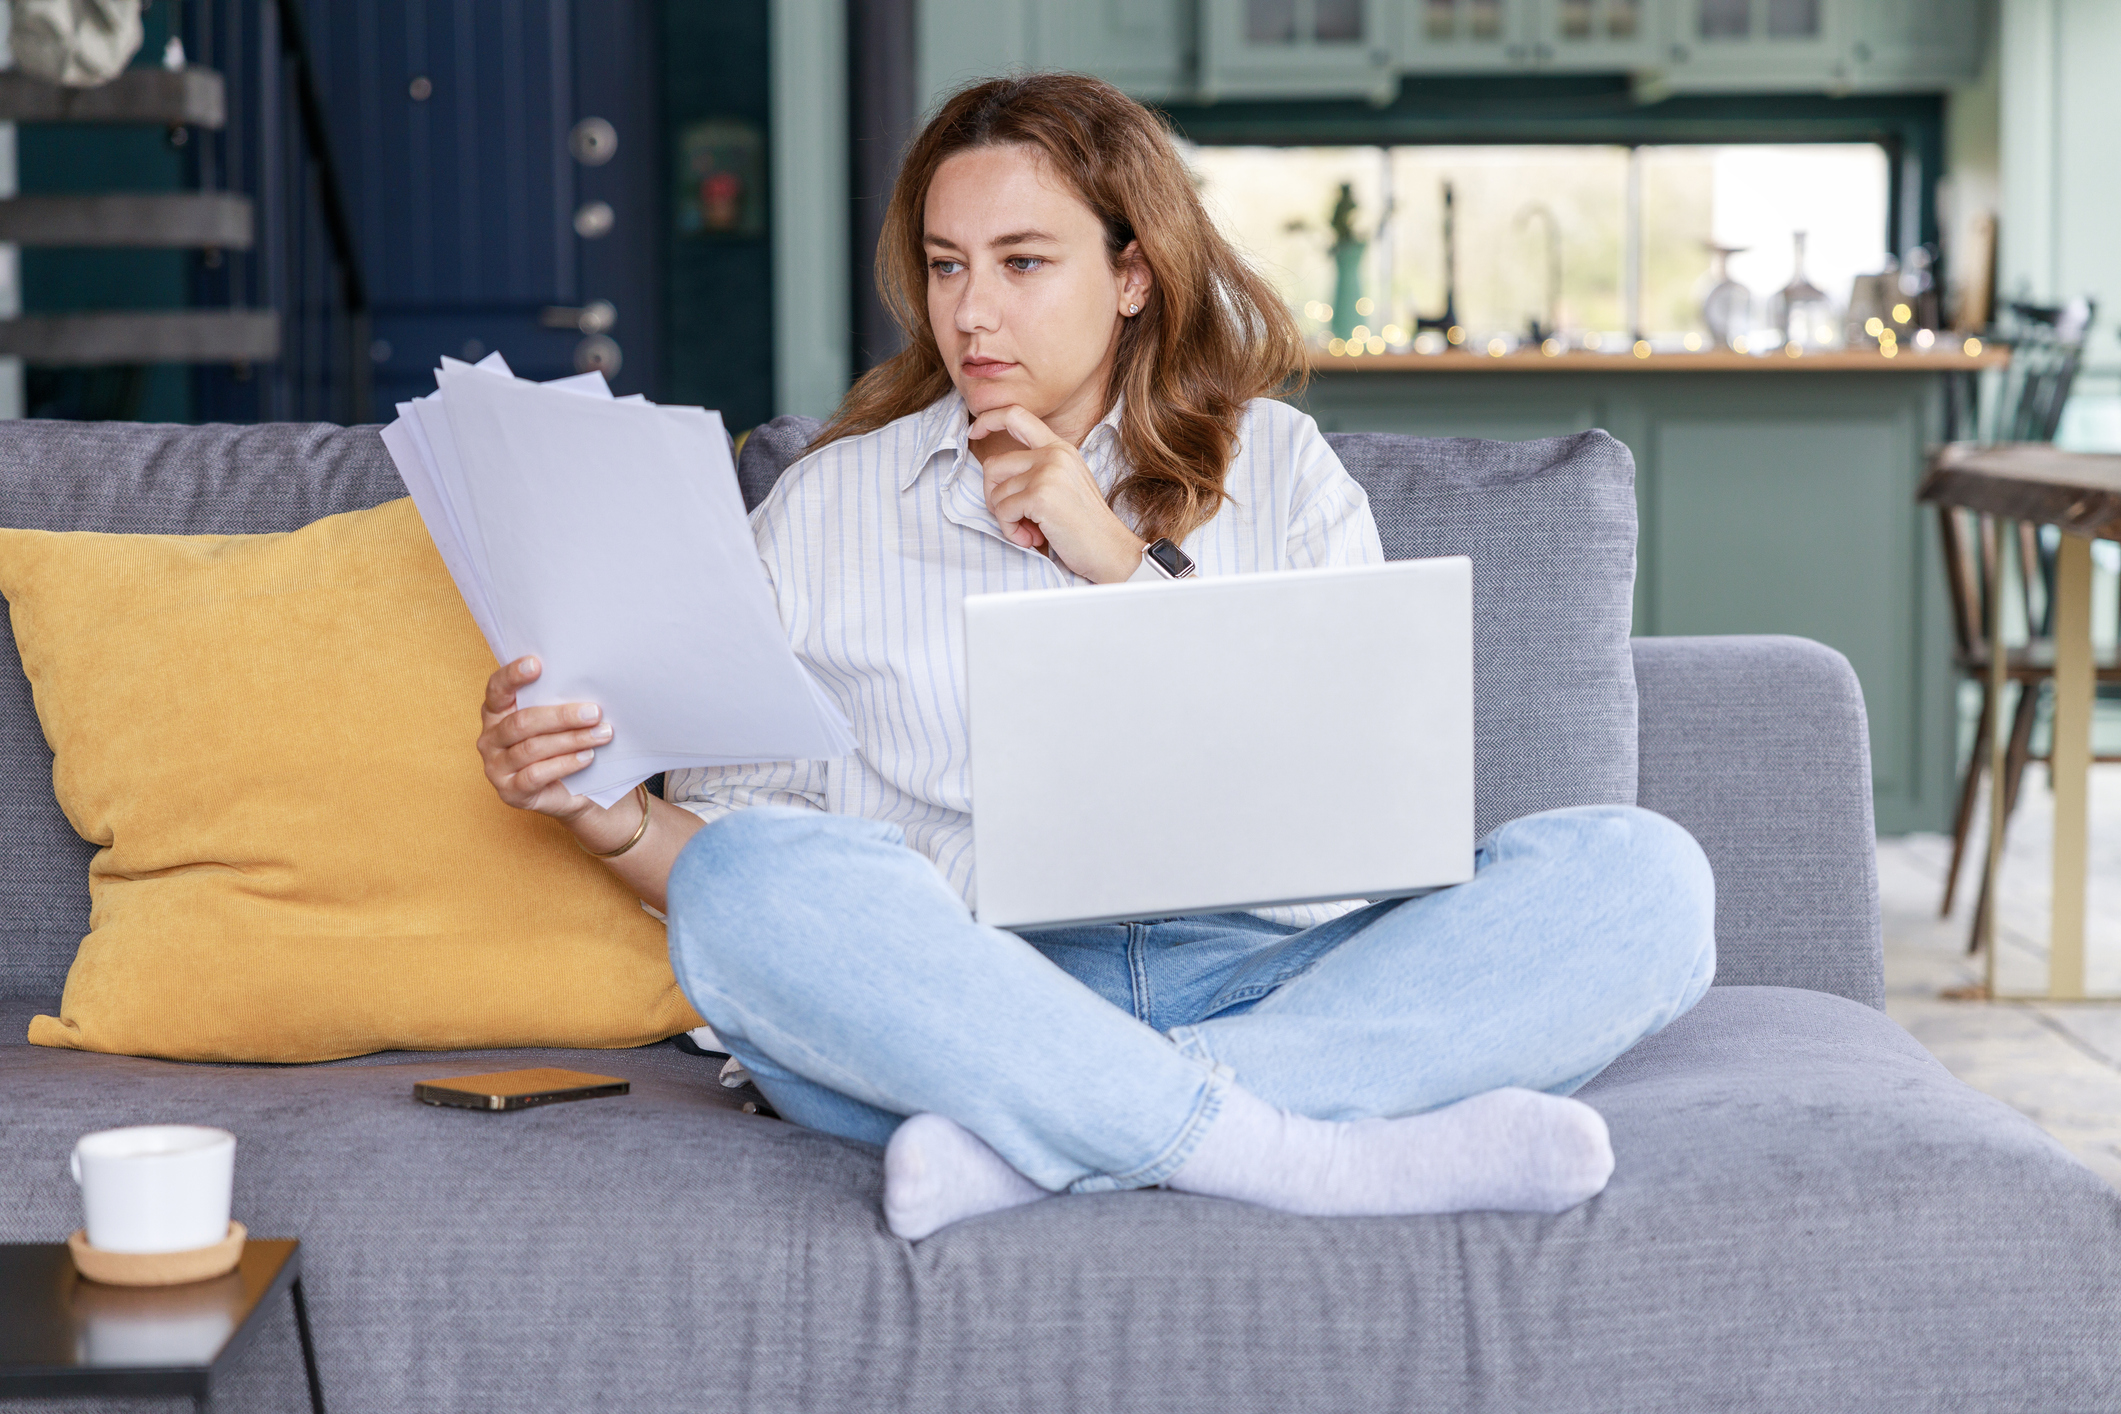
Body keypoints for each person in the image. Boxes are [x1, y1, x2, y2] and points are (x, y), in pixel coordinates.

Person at [475, 73, 1715, 1240]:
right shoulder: (823, 506)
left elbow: (1348, 785)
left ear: (1132, 273)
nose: (970, 311)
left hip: (1279, 977)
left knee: (1645, 875)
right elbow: (750, 872)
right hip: (966, 999)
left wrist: (1115, 557)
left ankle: (1050, 1141)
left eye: (1022, 263)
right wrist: (606, 814)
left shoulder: (1278, 467)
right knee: (749, 886)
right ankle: (1301, 1147)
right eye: (948, 265)